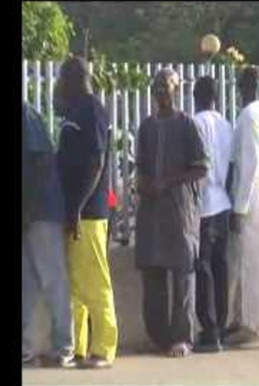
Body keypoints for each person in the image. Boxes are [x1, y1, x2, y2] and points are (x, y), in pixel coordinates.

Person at [135, 68, 208, 358]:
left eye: (165, 88)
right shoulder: (147, 127)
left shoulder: (187, 125)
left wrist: (168, 181)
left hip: (179, 209)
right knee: (152, 272)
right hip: (151, 209)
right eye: (156, 89)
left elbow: (201, 167)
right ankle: (159, 336)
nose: (160, 94)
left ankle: (181, 337)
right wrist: (143, 183)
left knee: (182, 273)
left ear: (175, 90)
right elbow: (140, 165)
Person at [54, 57, 118, 369]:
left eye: (62, 78)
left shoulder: (92, 109)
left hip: (89, 212)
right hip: (73, 211)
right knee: (76, 284)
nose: (59, 84)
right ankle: (78, 348)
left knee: (96, 281)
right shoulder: (74, 110)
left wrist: (77, 207)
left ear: (76, 78)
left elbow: (96, 162)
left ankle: (103, 349)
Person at [228, 67, 259, 347]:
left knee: (252, 265)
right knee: (258, 263)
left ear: (242, 85)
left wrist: (239, 206)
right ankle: (254, 324)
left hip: (252, 204)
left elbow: (250, 165)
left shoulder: (249, 116)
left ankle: (257, 328)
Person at [22, 103, 75, 368]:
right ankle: (25, 349)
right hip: (29, 212)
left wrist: (29, 208)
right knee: (27, 281)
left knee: (53, 278)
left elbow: (40, 161)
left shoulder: (25, 114)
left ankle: (63, 346)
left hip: (41, 211)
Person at [192, 76, 234, 353]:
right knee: (220, 265)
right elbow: (231, 164)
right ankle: (220, 323)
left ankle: (209, 330)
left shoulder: (196, 122)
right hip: (224, 201)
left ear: (196, 96)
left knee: (203, 266)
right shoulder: (226, 124)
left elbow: (198, 166)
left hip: (204, 203)